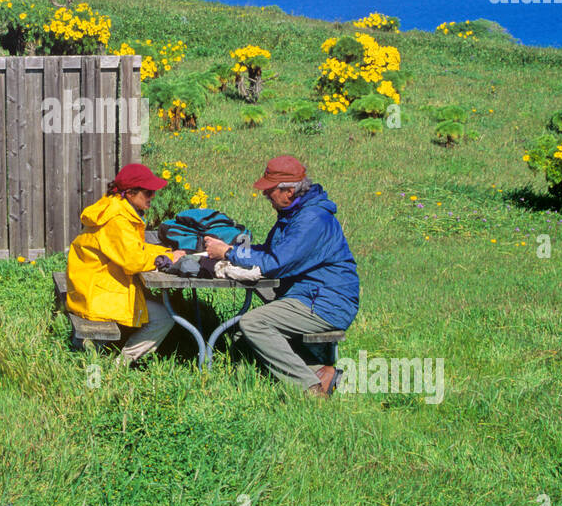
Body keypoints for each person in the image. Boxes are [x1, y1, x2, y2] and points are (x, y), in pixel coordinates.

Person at [203, 155, 359, 398]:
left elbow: (276, 263)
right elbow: (268, 251)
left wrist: (228, 252)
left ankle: (311, 389)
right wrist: (229, 251)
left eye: (270, 190)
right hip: (308, 296)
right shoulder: (294, 214)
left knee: (253, 323)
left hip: (326, 302)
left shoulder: (311, 219)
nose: (266, 195)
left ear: (289, 191)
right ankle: (323, 372)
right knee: (240, 339)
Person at [67, 163, 186, 363]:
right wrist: (164, 259)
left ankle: (106, 359)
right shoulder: (118, 219)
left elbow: (133, 248)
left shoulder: (115, 208)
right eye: (148, 192)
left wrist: (166, 252)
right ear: (130, 193)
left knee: (154, 307)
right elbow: (132, 262)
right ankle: (121, 365)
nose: (153, 196)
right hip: (98, 296)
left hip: (91, 288)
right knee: (164, 318)